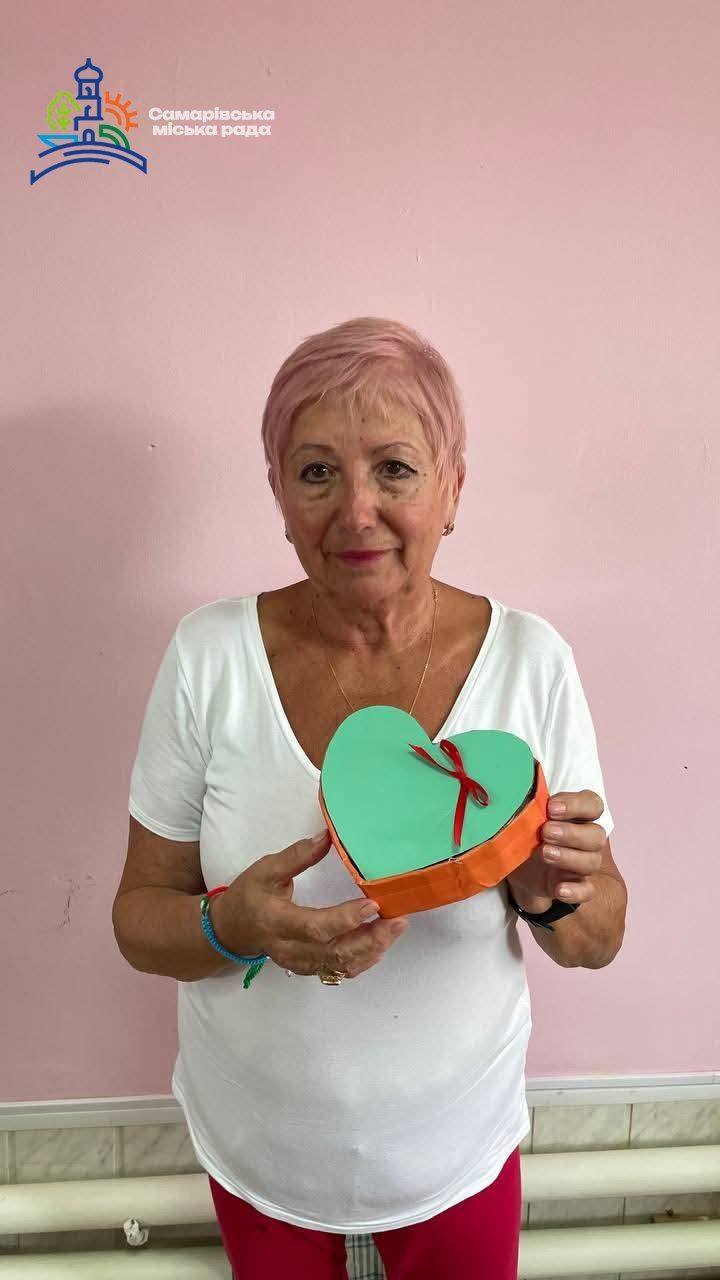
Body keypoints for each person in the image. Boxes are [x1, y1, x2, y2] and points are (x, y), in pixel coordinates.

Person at [113, 316, 627, 1280]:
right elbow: (139, 920)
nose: (356, 512)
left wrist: (543, 888)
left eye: (394, 468)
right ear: (278, 493)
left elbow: (597, 940)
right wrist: (236, 926)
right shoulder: (208, 656)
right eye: (317, 472)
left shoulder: (531, 662)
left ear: (453, 487)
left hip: (458, 1152)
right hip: (258, 1148)